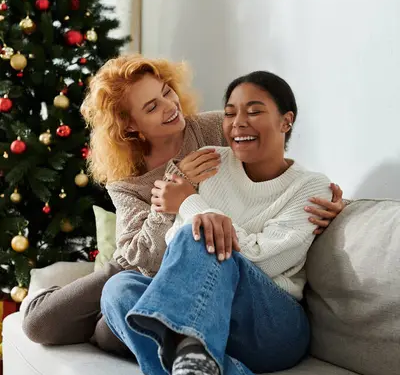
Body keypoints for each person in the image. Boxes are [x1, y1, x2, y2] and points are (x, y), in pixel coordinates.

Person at [22, 55, 344, 357]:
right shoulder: (125, 180)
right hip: (139, 266)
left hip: (195, 267)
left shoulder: (213, 128)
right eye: (152, 106)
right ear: (130, 126)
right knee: (40, 324)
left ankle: (119, 327)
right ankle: (61, 299)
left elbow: (271, 158)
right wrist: (175, 188)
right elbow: (138, 257)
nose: (170, 107)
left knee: (107, 333)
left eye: (167, 92)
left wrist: (333, 198)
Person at [100, 70, 334, 375]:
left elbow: (261, 258)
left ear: (286, 121)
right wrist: (193, 207)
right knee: (119, 289)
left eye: (254, 111)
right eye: (230, 113)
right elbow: (176, 246)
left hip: (272, 327)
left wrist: (191, 204)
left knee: (203, 233)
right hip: (212, 321)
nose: (238, 123)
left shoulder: (312, 187)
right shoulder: (209, 163)